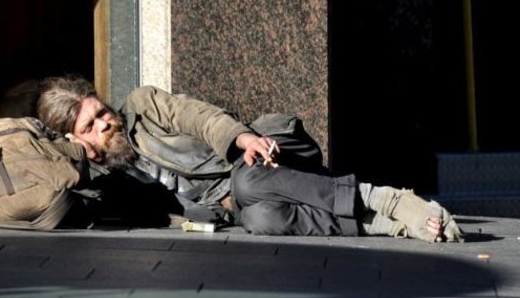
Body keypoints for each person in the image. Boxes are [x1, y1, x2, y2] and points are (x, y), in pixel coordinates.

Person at [35, 74, 464, 243]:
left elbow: (197, 116)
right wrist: (80, 159)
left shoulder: (143, 105)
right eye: (90, 126)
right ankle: (387, 226)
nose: (105, 123)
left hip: (268, 155)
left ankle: (382, 199)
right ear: (75, 137)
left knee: (247, 183)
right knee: (259, 222)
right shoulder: (105, 180)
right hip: (242, 208)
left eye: (101, 111)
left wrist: (242, 138)